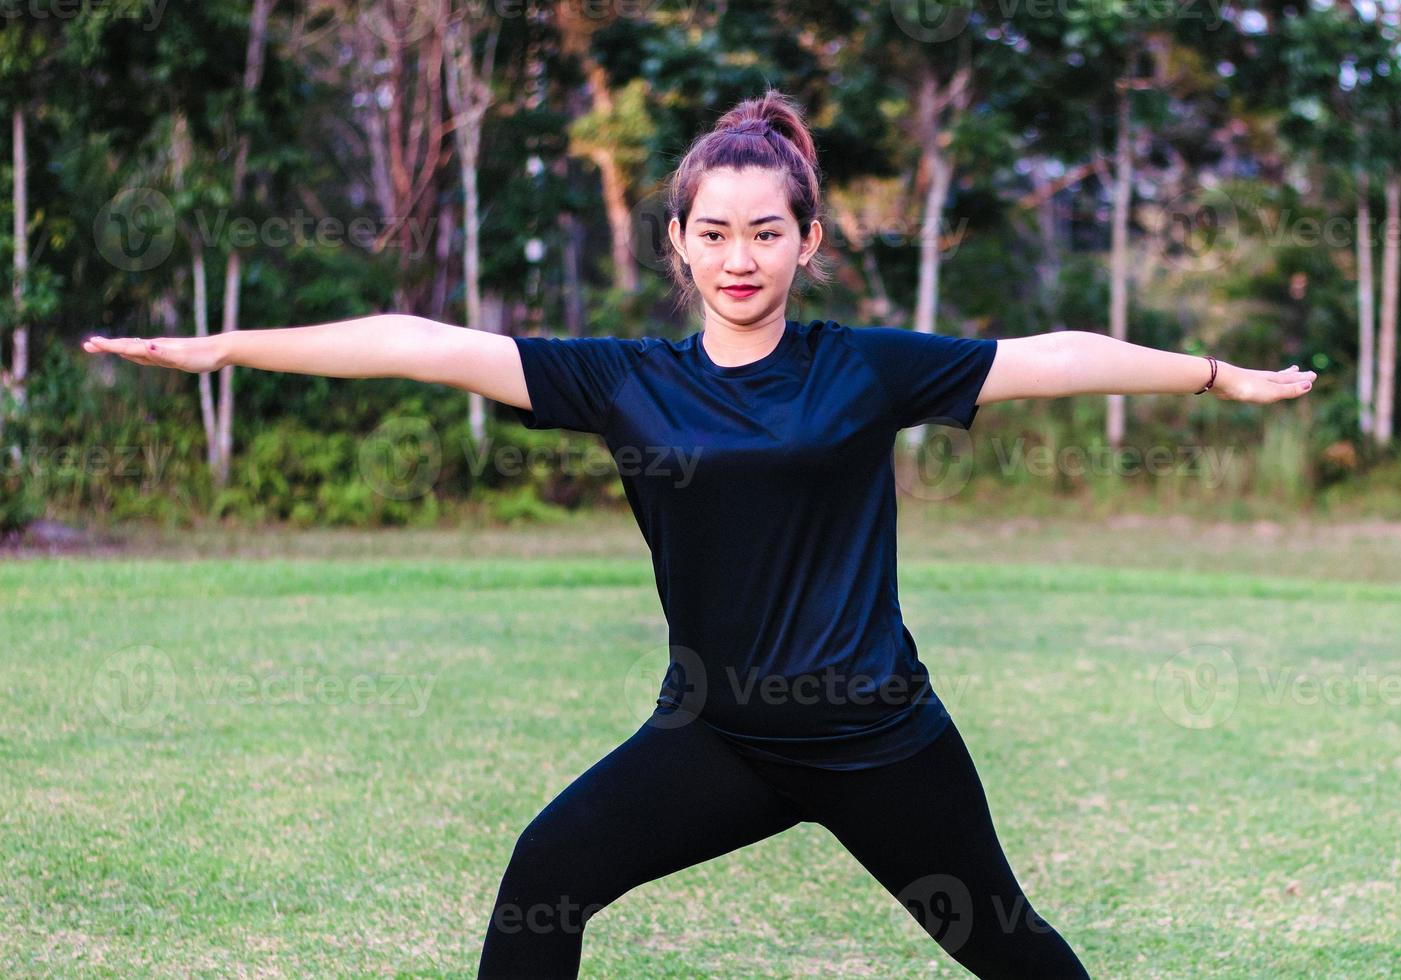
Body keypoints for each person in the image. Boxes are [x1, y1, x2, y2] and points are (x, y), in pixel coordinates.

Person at [83, 88, 1316, 978]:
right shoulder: (626, 381)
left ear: (808, 240)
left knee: (1015, 949)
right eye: (714, 232)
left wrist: (1216, 374)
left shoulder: (864, 368)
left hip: (881, 739)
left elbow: (1051, 356)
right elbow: (424, 341)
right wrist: (224, 346)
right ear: (676, 239)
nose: (740, 255)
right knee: (542, 883)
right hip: (717, 736)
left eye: (767, 231)